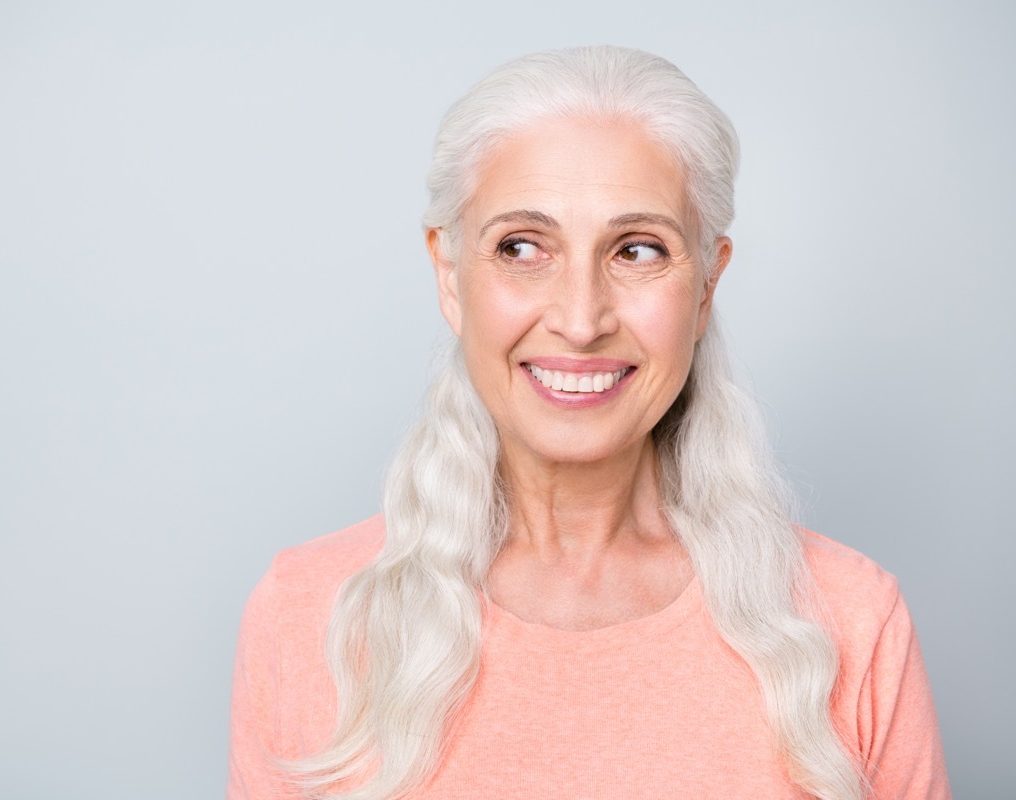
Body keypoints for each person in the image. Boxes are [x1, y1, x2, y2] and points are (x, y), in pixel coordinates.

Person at [226, 46, 950, 800]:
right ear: (449, 274)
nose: (580, 320)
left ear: (705, 286)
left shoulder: (852, 621)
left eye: (637, 250)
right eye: (522, 247)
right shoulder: (305, 616)